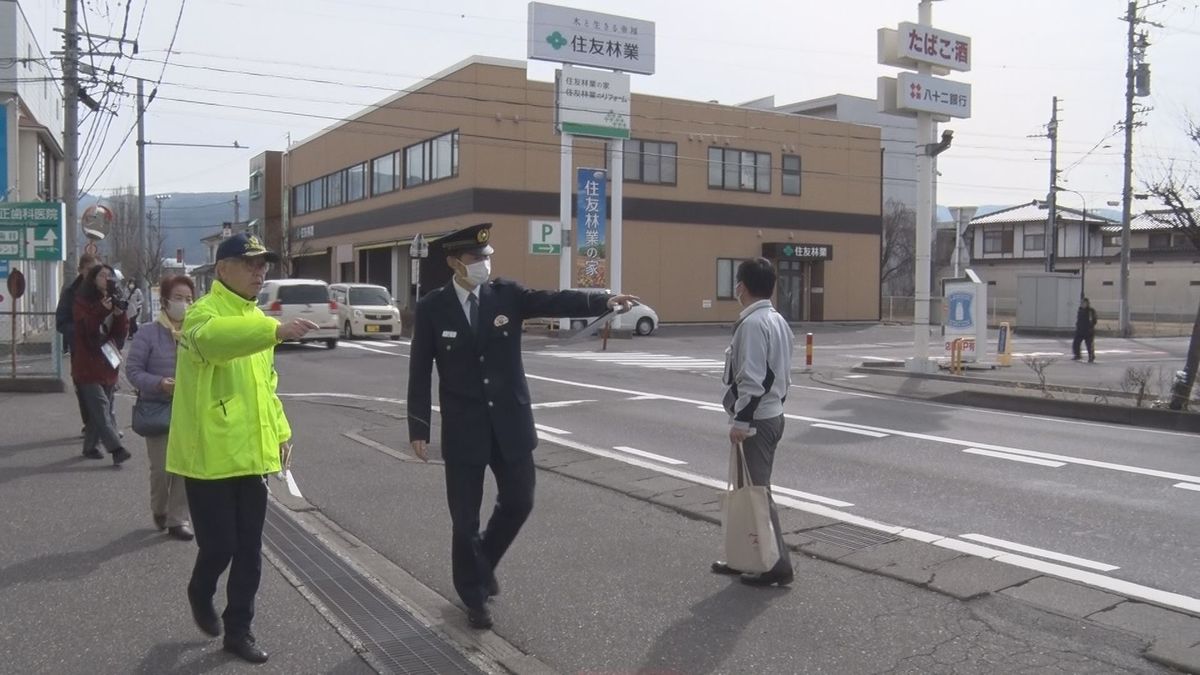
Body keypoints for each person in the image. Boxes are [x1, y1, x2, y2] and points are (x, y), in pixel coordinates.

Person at [407, 222, 638, 630]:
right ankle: (473, 596)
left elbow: (553, 299)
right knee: (464, 520)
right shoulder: (432, 307)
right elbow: (420, 370)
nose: (483, 263)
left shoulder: (506, 295)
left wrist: (603, 299)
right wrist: (419, 425)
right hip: (464, 429)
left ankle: (482, 565)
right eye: (475, 258)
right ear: (453, 261)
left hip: (510, 422)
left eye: (486, 257)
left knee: (520, 500)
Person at [166, 233, 317, 664]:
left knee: (250, 551)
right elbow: (213, 340)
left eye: (263, 263)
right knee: (219, 547)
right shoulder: (202, 314)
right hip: (208, 457)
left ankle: (239, 630)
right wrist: (273, 329)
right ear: (222, 269)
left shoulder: (254, 318)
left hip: (251, 456)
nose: (260, 270)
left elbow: (266, 389)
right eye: (250, 263)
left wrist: (282, 432)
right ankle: (200, 588)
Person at [711, 257, 795, 587]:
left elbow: (752, 379)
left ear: (742, 287)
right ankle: (745, 555)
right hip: (772, 415)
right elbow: (783, 376)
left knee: (757, 494)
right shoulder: (777, 320)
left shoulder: (752, 324)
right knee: (748, 491)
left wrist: (742, 423)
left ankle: (778, 564)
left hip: (757, 421)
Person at [126, 275, 195, 541]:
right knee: (162, 467)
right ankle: (160, 509)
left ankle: (178, 518)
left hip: (189, 409)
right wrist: (159, 383)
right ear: (165, 300)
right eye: (178, 298)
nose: (184, 304)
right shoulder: (148, 332)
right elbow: (132, 371)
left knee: (185, 466)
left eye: (189, 299)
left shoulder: (196, 331)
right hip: (157, 408)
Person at [71, 263, 132, 465]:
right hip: (87, 364)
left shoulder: (115, 300)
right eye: (102, 276)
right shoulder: (82, 301)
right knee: (101, 407)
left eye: (110, 276)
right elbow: (85, 330)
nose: (107, 279)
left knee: (100, 410)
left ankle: (90, 447)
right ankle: (117, 449)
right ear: (93, 279)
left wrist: (119, 315)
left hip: (108, 361)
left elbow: (121, 335)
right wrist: (99, 310)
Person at [57, 253, 99, 435]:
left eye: (95, 270)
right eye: (88, 270)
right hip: (80, 349)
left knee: (106, 387)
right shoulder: (70, 292)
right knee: (83, 388)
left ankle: (104, 425)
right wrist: (78, 333)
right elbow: (62, 321)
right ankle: (90, 424)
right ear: (81, 270)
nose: (92, 274)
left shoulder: (103, 289)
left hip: (102, 348)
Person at [1073, 297, 1098, 363]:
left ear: (1087, 303)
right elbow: (1079, 320)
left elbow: (1093, 320)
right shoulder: (1080, 310)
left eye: (1084, 303)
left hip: (1088, 331)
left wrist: (1090, 327)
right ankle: (1077, 355)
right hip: (1080, 331)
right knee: (1076, 343)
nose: (1082, 304)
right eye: (1081, 303)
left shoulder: (1090, 311)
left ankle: (1091, 356)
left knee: (1089, 345)